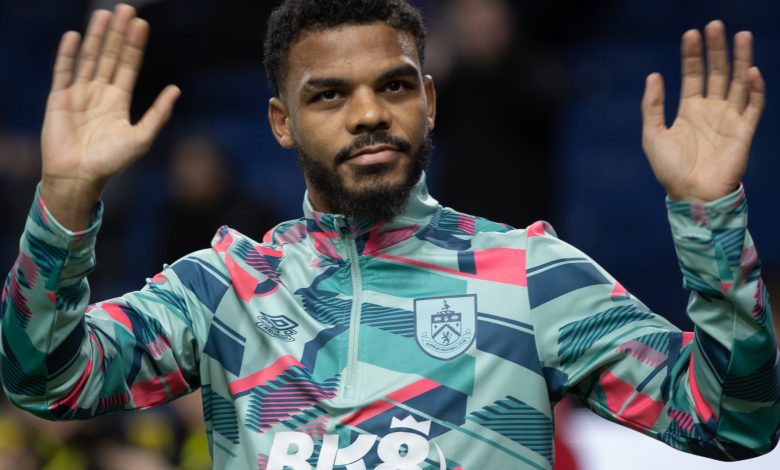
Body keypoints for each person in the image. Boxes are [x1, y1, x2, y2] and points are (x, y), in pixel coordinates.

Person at [1, 1, 778, 469]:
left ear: (430, 102)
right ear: (281, 122)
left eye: (394, 85)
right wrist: (66, 200)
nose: (370, 113)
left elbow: (734, 419)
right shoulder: (220, 292)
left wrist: (710, 221)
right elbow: (46, 377)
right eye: (330, 95)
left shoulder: (532, 276)